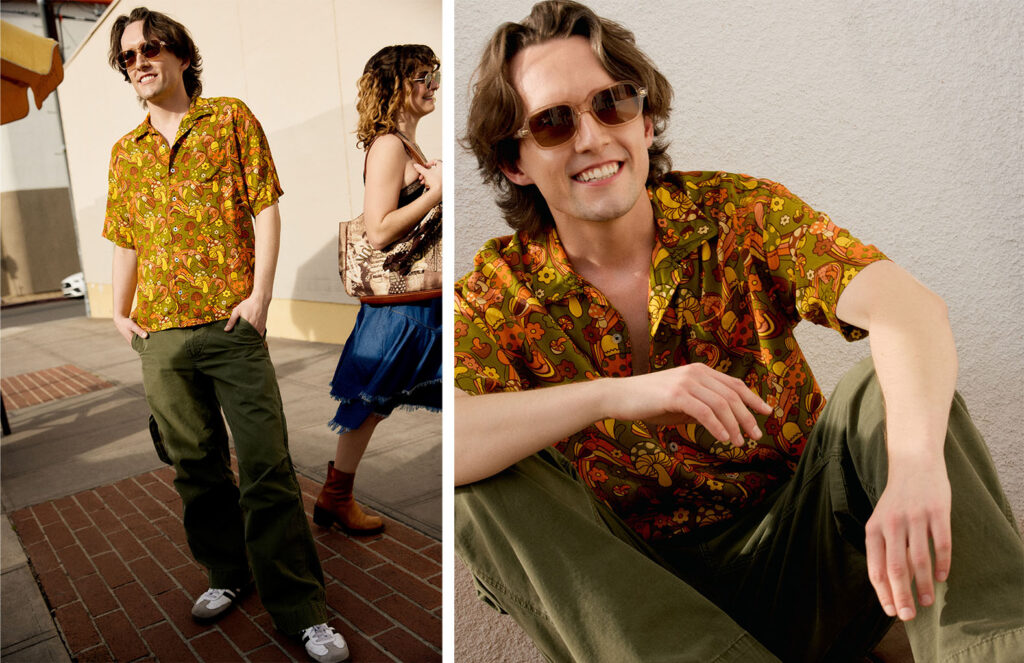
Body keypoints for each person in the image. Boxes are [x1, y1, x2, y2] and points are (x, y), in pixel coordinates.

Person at [453, 2, 1024, 661]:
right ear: (515, 160)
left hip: (804, 562)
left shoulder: (735, 212)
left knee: (883, 388)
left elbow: (910, 310)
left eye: (612, 103)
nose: (591, 136)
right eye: (553, 122)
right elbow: (456, 436)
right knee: (482, 479)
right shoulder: (500, 291)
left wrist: (916, 466)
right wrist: (614, 394)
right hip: (642, 613)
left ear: (646, 118)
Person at [103, 8, 347, 662]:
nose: (140, 62)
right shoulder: (124, 154)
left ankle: (300, 605)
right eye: (128, 56)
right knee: (196, 469)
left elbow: (264, 205)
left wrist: (262, 296)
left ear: (182, 55)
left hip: (232, 322)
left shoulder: (231, 118)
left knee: (266, 463)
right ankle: (227, 572)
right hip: (160, 336)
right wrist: (119, 312)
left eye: (151, 49)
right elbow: (126, 241)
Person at [313, 45, 442, 534]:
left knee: (378, 400)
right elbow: (379, 229)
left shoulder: (407, 146)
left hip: (419, 304)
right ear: (394, 86)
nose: (431, 84)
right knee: (368, 399)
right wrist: (436, 193)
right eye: (421, 76)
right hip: (401, 309)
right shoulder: (389, 145)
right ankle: (336, 496)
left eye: (433, 75)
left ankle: (335, 496)